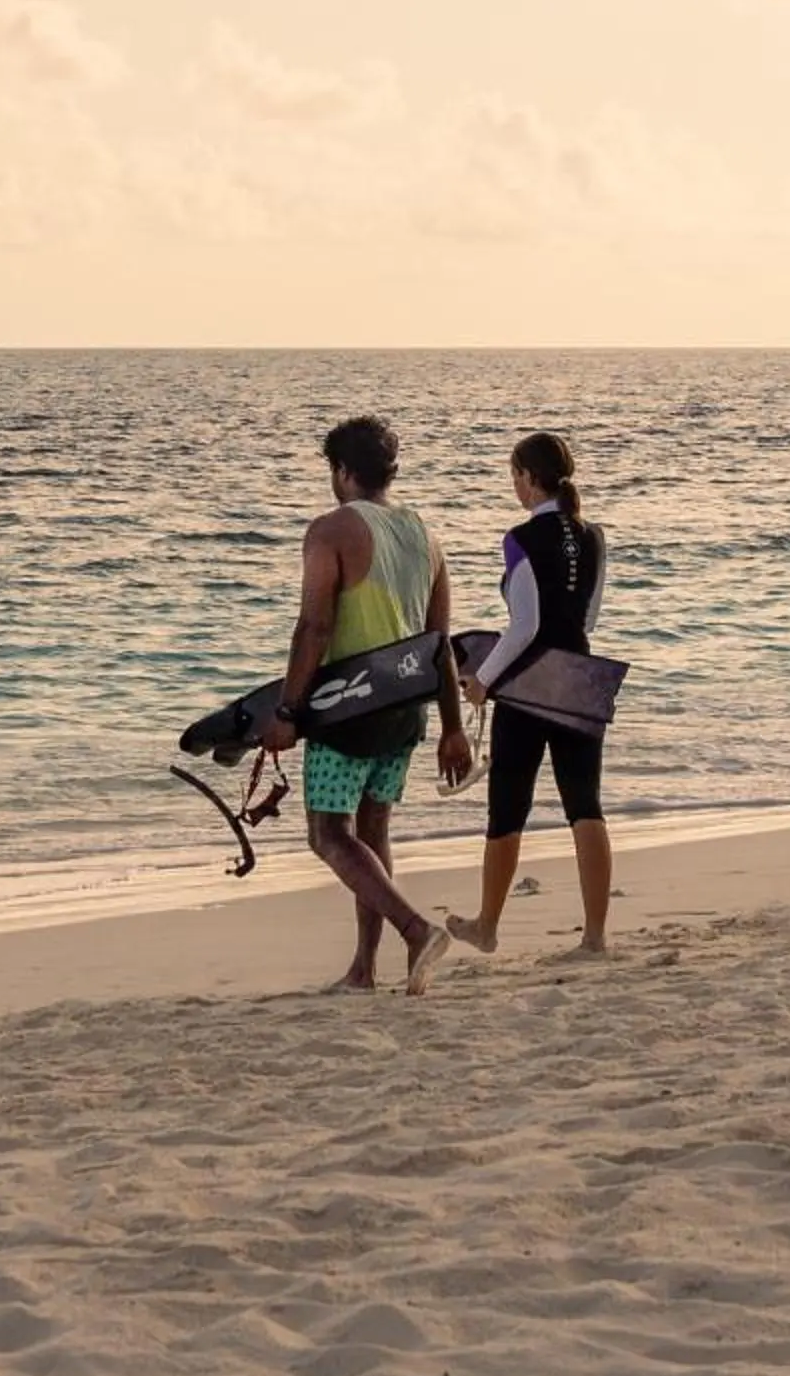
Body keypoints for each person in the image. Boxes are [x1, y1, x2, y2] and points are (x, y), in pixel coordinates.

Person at [258, 414, 473, 993]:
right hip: (406, 709)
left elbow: (315, 627)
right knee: (373, 834)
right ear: (390, 473)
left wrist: (285, 712)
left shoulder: (332, 530)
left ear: (342, 471)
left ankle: (414, 929)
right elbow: (440, 645)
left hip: (348, 709)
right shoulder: (426, 536)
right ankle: (364, 970)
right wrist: (454, 729)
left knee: (329, 835)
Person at [446, 430, 613, 957]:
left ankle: (487, 926)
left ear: (529, 478)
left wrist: (482, 682)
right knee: (585, 805)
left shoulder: (518, 539)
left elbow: (524, 626)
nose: (513, 486)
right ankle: (594, 936)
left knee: (508, 808)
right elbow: (587, 617)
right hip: (580, 676)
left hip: (528, 684)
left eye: (514, 476)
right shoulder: (593, 536)